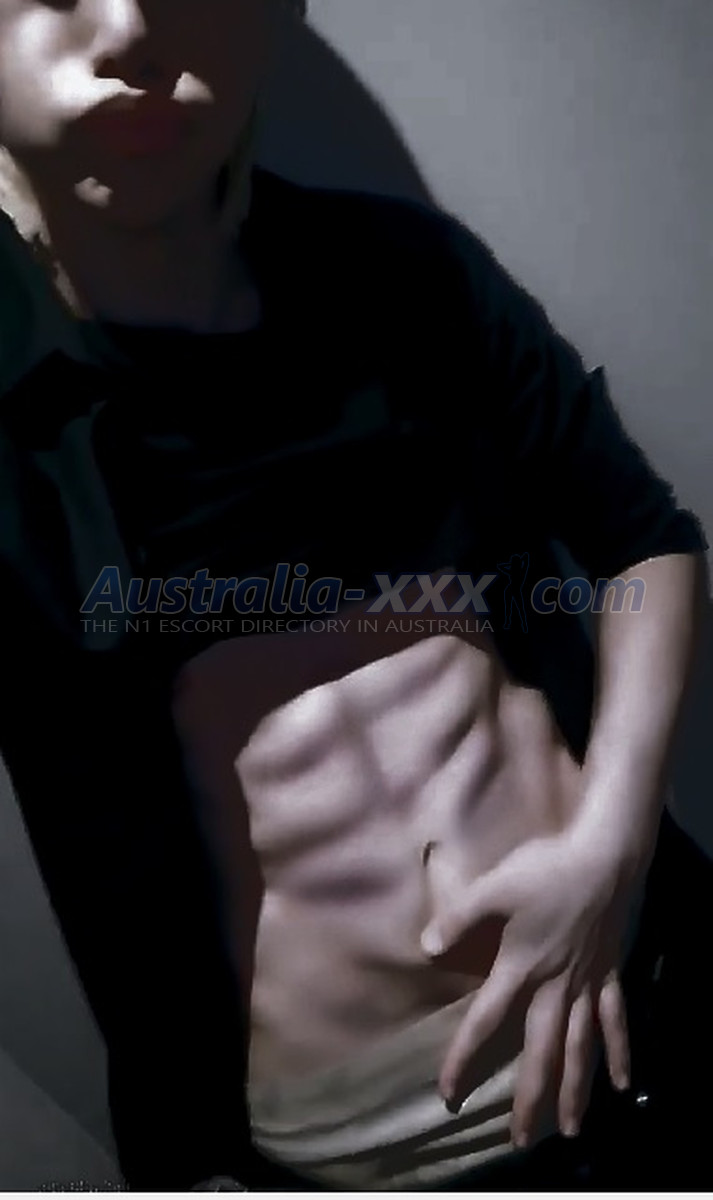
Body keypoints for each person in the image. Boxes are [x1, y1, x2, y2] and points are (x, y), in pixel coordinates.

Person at [0, 0, 708, 1191]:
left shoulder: (404, 275)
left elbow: (645, 544)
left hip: (644, 1000)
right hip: (361, 1150)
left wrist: (610, 846)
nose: (127, 31)